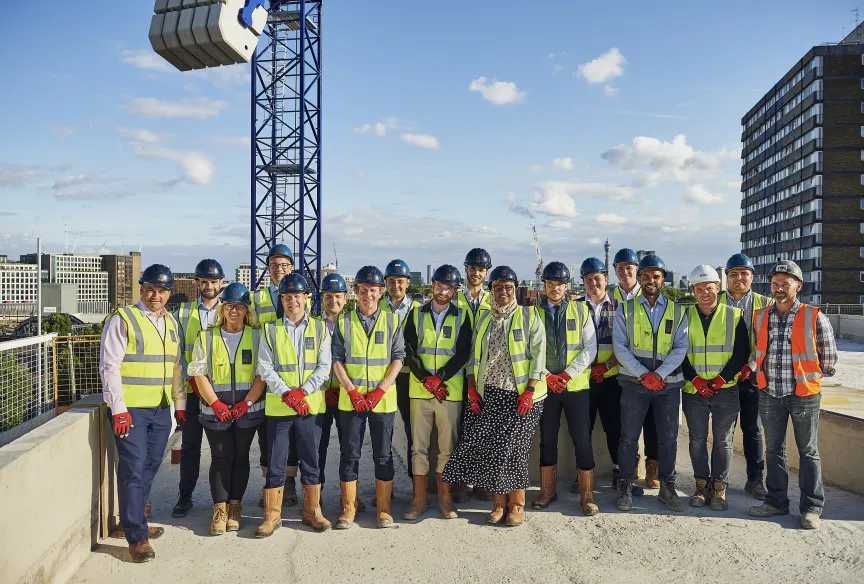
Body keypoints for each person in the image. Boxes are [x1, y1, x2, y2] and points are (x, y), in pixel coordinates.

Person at [443, 266, 546, 528]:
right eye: (498, 287)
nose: (502, 292)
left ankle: (517, 504)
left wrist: (530, 390)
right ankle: (498, 504)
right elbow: (472, 358)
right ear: (491, 290)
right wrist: (471, 389)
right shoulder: (485, 319)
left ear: (515, 290)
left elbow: (538, 356)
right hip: (490, 392)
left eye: (507, 287)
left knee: (515, 450)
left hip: (522, 395)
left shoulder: (528, 315)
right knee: (492, 450)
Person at [99, 264, 184, 563]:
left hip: (161, 409)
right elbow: (109, 366)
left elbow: (176, 368)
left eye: (161, 290)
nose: (155, 295)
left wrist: (179, 406)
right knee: (134, 468)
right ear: (141, 288)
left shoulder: (172, 323)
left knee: (149, 465)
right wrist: (118, 409)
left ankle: (131, 519)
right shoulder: (123, 319)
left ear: (169, 293)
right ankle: (138, 537)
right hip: (131, 410)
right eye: (150, 289)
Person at [749, 260, 837, 530]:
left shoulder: (813, 315)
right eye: (775, 283)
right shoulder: (761, 316)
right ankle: (776, 502)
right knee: (774, 449)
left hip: (803, 394)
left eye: (784, 283)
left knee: (808, 451)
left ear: (797, 286)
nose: (778, 287)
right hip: (770, 392)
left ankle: (811, 508)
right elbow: (758, 352)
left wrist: (809, 377)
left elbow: (829, 358)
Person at [255, 273, 332, 536]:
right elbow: (264, 367)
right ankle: (271, 516)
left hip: (309, 408)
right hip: (279, 408)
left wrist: (304, 392)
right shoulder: (270, 329)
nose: (292, 302)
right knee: (277, 462)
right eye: (287, 297)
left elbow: (324, 367)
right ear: (282, 300)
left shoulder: (320, 328)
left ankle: (313, 511)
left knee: (311, 461)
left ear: (306, 298)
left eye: (297, 296)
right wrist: (288, 393)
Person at [186, 283, 266, 535]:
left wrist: (247, 403)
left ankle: (235, 507)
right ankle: (219, 510)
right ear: (223, 308)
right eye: (229, 305)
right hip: (215, 411)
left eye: (239, 306)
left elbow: (261, 375)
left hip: (247, 410)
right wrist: (216, 404)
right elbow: (199, 373)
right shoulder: (206, 337)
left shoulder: (256, 337)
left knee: (241, 458)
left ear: (246, 310)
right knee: (221, 458)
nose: (234, 311)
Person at [331, 266, 405, 529]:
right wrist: (351, 390)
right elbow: (336, 360)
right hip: (351, 401)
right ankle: (348, 509)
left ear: (381, 292)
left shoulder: (392, 321)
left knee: (382, 455)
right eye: (363, 290)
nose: (368, 295)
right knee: (350, 454)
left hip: (381, 400)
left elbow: (398, 358)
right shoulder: (344, 321)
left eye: (373, 290)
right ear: (356, 292)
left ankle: (384, 510)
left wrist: (379, 390)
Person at [613, 254, 688, 512]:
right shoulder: (626, 308)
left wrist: (659, 375)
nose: (651, 280)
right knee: (628, 437)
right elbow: (620, 347)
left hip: (668, 386)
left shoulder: (678, 310)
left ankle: (667, 486)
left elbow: (681, 347)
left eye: (656, 276)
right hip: (634, 384)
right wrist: (644, 374)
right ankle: (625, 485)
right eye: (646, 276)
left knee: (668, 438)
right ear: (640, 278)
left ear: (663, 279)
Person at [402, 264, 472, 520]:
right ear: (432, 285)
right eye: (439, 286)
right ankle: (418, 499)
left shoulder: (463, 316)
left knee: (447, 449)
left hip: (449, 393)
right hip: (420, 392)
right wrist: (426, 379)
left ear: (455, 291)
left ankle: (445, 499)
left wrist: (439, 379)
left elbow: (462, 354)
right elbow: (409, 350)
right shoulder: (416, 313)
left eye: (449, 288)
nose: (443, 292)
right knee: (418, 448)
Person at [532, 262, 599, 516]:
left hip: (576, 388)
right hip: (546, 388)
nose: (555, 288)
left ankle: (587, 494)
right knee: (547, 439)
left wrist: (568, 375)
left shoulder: (581, 311)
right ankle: (547, 490)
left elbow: (589, 348)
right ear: (544, 286)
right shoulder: (534, 314)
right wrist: (548, 376)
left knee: (582, 439)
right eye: (550, 283)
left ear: (567, 286)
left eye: (560, 284)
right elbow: (531, 351)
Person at [680, 266, 749, 511]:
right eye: (699, 289)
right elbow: (679, 352)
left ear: (718, 288)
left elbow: (742, 352)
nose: (705, 293)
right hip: (694, 390)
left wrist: (720, 380)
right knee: (697, 440)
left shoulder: (734, 315)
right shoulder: (684, 316)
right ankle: (701, 485)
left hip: (725, 390)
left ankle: (719, 487)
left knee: (723, 440)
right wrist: (695, 380)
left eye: (709, 288)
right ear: (693, 291)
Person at [580, 258, 644, 497]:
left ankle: (622, 474)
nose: (593, 283)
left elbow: (627, 345)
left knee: (616, 428)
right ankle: (583, 475)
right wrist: (588, 368)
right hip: (583, 380)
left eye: (597, 278)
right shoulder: (575, 307)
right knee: (582, 429)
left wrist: (606, 365)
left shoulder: (621, 307)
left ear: (607, 280)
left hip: (612, 380)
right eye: (588, 279)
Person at [172, 258, 224, 518]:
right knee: (190, 447)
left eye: (213, 281)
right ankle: (185, 495)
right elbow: (177, 352)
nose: (208, 286)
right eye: (204, 281)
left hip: (221, 393)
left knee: (221, 450)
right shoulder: (182, 313)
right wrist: (192, 380)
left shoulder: (231, 310)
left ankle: (222, 500)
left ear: (221, 283)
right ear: (197, 283)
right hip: (193, 393)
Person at [719, 253, 773, 500]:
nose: (739, 278)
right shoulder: (714, 301)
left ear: (752, 276)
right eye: (733, 274)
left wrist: (750, 366)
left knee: (752, 429)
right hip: (721, 377)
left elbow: (768, 340)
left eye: (744, 273)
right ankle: (719, 481)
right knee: (723, 432)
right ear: (726, 277)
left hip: (753, 377)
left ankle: (755, 480)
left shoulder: (766, 304)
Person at [251, 243, 300, 507]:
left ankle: (289, 483)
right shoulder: (256, 298)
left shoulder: (301, 295)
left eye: (284, 265)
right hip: (265, 375)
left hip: (293, 377)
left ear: (291, 267)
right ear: (268, 269)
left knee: (290, 436)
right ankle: (270, 484)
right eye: (274, 266)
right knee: (268, 435)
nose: (279, 270)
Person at [612, 248, 660, 489]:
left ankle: (653, 466)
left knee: (652, 422)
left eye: (629, 267)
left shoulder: (652, 294)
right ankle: (632, 464)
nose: (624, 271)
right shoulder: (610, 298)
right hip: (623, 372)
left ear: (637, 272)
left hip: (653, 372)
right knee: (626, 424)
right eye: (619, 267)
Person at [454, 247, 493, 502]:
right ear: (466, 269)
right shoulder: (455, 299)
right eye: (472, 268)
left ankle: (481, 480)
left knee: (484, 429)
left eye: (481, 269)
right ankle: (459, 482)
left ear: (486, 272)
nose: (476, 273)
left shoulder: (495, 299)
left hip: (484, 374)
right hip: (455, 374)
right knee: (456, 430)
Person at [379, 259, 421, 479]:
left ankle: (416, 483)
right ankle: (385, 483)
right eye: (391, 281)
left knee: (412, 430)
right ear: (386, 283)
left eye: (400, 281)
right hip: (383, 377)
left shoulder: (418, 310)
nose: (396, 285)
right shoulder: (377, 308)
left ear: (407, 283)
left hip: (409, 378)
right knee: (384, 431)